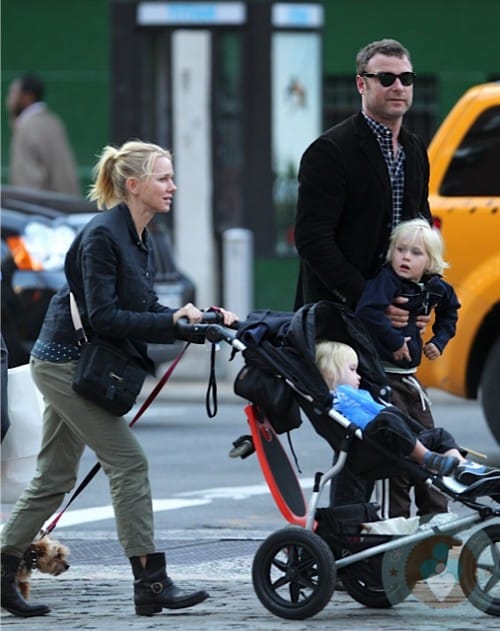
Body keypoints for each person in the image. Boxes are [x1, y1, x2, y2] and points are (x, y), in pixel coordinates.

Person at [0, 140, 238, 619]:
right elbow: (105, 315)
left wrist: (190, 319)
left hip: (76, 363)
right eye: (163, 178)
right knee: (128, 463)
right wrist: (169, 323)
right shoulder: (103, 237)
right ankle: (150, 582)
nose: (172, 186)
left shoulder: (137, 235)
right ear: (134, 185)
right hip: (65, 365)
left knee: (53, 477)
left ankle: (4, 572)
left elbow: (143, 308)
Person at [293, 38, 438, 510]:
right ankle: (350, 539)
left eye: (406, 78)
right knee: (361, 433)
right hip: (338, 315)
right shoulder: (330, 152)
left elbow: (419, 230)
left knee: (395, 424)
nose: (398, 87)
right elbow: (313, 240)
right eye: (386, 78)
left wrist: (420, 296)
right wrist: (368, 297)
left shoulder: (414, 149)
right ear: (362, 84)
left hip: (389, 316)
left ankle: (393, 535)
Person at [355, 218, 460, 517]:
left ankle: (436, 520)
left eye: (415, 253)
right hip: (384, 378)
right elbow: (367, 311)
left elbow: (451, 311)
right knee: (396, 456)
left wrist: (439, 341)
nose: (405, 258)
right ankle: (396, 529)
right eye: (400, 250)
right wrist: (394, 341)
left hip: (411, 381)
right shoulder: (387, 280)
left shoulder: (436, 287)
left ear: (430, 261)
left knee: (430, 445)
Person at [315, 340, 500, 487]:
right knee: (388, 418)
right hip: (375, 444)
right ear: (331, 373)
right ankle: (426, 458)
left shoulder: (361, 393)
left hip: (397, 441)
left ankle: (461, 467)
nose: (359, 376)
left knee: (439, 435)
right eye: (352, 370)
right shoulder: (335, 398)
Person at [6, 73, 80, 194]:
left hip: (36, 207)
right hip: (60, 204)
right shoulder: (52, 122)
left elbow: (26, 180)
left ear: (27, 97)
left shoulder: (27, 127)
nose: (9, 100)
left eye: (13, 93)